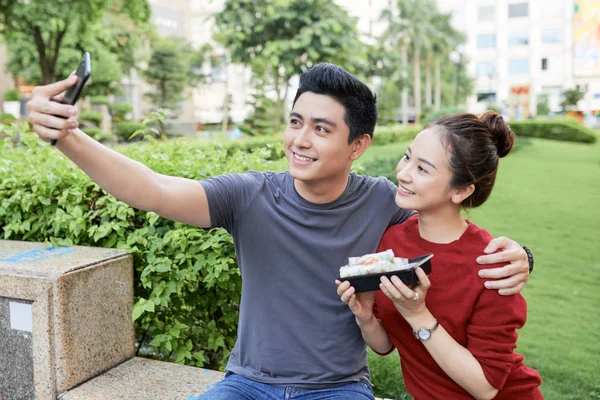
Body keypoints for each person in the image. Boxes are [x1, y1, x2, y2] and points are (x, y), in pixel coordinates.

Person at [27, 63, 532, 400]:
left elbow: (447, 230)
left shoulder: (384, 201)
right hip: (246, 384)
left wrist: (522, 255)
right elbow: (154, 189)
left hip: (338, 388)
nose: (299, 140)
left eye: (321, 128)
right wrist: (67, 138)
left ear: (358, 145)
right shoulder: (250, 195)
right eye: (296, 122)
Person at [337, 112, 542, 399]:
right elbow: (385, 346)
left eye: (422, 169)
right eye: (407, 157)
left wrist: (418, 315)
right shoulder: (393, 240)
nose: (402, 172)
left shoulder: (492, 266)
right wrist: (365, 317)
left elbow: (486, 387)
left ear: (461, 190)